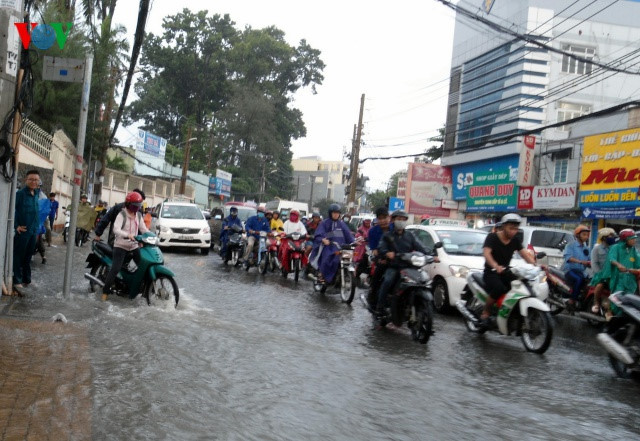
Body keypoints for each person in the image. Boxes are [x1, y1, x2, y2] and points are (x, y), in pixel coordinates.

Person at [480, 213, 536, 327]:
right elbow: (487, 254)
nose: (513, 231)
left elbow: (525, 255)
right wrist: (495, 266)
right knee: (499, 288)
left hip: (505, 272)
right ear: (504, 226)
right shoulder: (492, 237)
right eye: (511, 228)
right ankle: (486, 312)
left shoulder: (515, 241)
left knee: (522, 285)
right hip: (491, 272)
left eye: (516, 228)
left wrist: (536, 265)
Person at [376, 210, 429, 318]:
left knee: (422, 281)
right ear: (393, 220)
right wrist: (387, 253)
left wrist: (432, 254)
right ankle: (380, 307)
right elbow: (381, 247)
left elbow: (420, 247)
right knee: (387, 281)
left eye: (403, 219)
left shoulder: (410, 235)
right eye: (398, 219)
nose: (401, 221)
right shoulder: (387, 235)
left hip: (409, 267)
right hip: (394, 266)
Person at [101, 192, 149, 301]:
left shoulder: (138, 215)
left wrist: (152, 236)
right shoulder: (121, 214)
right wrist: (127, 235)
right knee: (115, 269)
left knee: (141, 264)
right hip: (121, 246)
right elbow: (116, 229)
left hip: (134, 246)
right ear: (128, 204)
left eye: (138, 206)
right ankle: (105, 293)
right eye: (134, 206)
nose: (136, 208)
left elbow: (144, 229)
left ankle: (133, 286)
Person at [12, 170, 42, 291]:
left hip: (33, 230)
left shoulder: (36, 193)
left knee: (29, 256)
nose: (34, 182)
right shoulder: (20, 194)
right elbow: (11, 210)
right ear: (26, 180)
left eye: (36, 180)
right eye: (31, 179)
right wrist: (16, 226)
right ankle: (17, 280)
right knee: (19, 255)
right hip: (23, 231)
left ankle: (26, 279)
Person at [310, 204, 354, 284]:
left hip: (341, 247)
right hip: (328, 247)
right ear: (330, 213)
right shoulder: (324, 223)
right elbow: (318, 234)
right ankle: (322, 275)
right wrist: (323, 240)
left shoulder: (342, 224)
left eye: (337, 213)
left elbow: (348, 235)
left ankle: (343, 275)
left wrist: (354, 242)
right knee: (327, 258)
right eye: (334, 213)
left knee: (348, 259)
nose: (336, 214)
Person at [367, 207, 395, 307]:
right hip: (381, 259)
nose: (383, 220)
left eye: (385, 218)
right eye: (380, 218)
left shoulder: (396, 228)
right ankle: (374, 298)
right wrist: (381, 258)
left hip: (397, 259)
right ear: (377, 220)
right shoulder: (373, 231)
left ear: (389, 218)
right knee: (378, 275)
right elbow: (374, 250)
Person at [599, 229, 640, 295]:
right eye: (632, 239)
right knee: (617, 298)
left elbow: (638, 260)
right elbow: (612, 259)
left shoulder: (634, 250)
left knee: (630, 301)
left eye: (635, 239)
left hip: (630, 279)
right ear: (625, 239)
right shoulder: (615, 247)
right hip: (618, 278)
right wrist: (618, 265)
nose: (634, 241)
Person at [562, 225, 591, 307]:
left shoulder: (587, 248)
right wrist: (581, 262)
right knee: (579, 279)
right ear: (578, 235)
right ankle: (572, 300)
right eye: (584, 234)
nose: (586, 237)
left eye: (587, 235)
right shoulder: (570, 246)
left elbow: (590, 260)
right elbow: (569, 258)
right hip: (569, 270)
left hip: (581, 272)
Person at [589, 228, 617, 313]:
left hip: (611, 275)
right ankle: (596, 303)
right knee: (600, 285)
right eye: (610, 236)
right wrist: (601, 275)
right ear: (604, 238)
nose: (612, 238)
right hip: (599, 276)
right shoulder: (596, 249)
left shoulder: (614, 248)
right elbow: (594, 264)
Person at [279, 209, 308, 273]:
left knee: (303, 250)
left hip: (298, 241)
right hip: (288, 240)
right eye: (292, 214)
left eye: (295, 215)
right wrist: (283, 234)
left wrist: (305, 235)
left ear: (298, 216)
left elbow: (304, 232)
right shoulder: (287, 222)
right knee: (282, 249)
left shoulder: (300, 224)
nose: (293, 216)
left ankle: (303, 264)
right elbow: (283, 231)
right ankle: (281, 262)